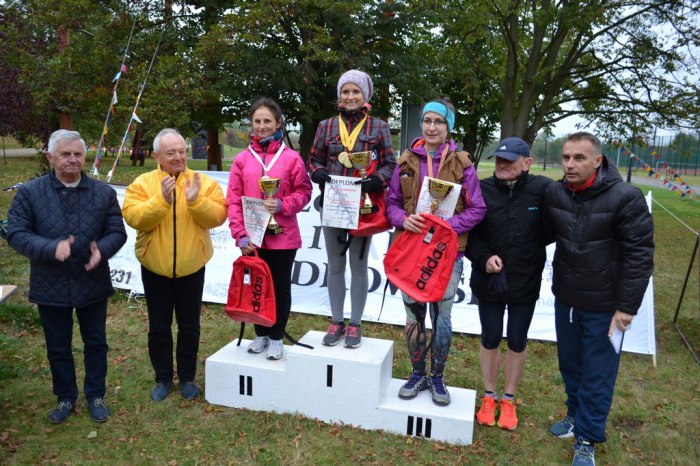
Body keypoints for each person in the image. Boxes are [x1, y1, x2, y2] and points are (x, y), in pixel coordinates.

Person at [543, 132, 654, 465]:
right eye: (566, 157)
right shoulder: (556, 193)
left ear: (597, 161)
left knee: (597, 375)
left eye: (579, 158)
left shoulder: (626, 198)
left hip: (605, 307)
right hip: (567, 299)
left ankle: (587, 439)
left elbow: (639, 256)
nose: (570, 164)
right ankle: (575, 416)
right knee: (571, 367)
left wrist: (626, 307)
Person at [7, 129, 127, 424]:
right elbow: (17, 234)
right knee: (58, 346)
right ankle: (65, 396)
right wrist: (51, 248)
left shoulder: (103, 193)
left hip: (92, 280)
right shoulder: (30, 193)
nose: (72, 160)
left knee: (96, 342)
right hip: (50, 282)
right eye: (65, 154)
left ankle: (96, 394)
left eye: (78, 154)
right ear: (50, 156)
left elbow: (117, 232)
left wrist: (103, 250)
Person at [386, 98, 486, 406]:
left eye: (439, 122)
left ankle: (438, 378)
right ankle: (417, 373)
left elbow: (478, 208)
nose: (431, 127)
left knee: (442, 317)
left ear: (448, 127)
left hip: (446, 253)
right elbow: (390, 204)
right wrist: (403, 219)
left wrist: (447, 226)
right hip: (410, 250)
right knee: (413, 316)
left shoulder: (462, 164)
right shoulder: (405, 162)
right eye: (427, 121)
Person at [122, 128, 227, 402]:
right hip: (155, 268)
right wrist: (162, 200)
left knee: (189, 325)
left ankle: (188, 378)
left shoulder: (202, 182)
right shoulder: (143, 183)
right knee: (159, 326)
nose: (179, 157)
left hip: (192, 267)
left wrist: (195, 201)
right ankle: (163, 378)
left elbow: (218, 216)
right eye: (171, 153)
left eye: (182, 151)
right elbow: (133, 217)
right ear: (157, 156)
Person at [467, 137, 553, 430]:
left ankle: (509, 398)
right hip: (489, 279)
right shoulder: (481, 188)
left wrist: (529, 253)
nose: (502, 165)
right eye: (499, 159)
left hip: (525, 281)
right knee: (490, 336)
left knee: (517, 339)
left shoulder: (543, 189)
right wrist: (484, 258)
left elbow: (553, 228)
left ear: (527, 163)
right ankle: (489, 395)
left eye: (510, 160)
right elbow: (469, 235)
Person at [308, 69, 396, 348]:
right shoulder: (326, 126)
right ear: (339, 95)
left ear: (364, 95)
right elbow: (314, 159)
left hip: (363, 207)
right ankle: (337, 321)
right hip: (333, 205)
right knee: (335, 266)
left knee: (358, 266)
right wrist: (318, 172)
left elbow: (390, 164)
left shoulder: (379, 127)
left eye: (355, 91)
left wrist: (376, 180)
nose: (350, 96)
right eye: (345, 91)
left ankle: (355, 324)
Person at [227, 97, 312, 360]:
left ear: (278, 123)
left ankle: (276, 337)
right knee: (256, 287)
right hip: (253, 238)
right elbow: (233, 200)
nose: (262, 126)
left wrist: (283, 204)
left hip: (283, 237)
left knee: (280, 288)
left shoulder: (291, 158)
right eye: (257, 121)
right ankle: (261, 333)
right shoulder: (242, 159)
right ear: (251, 123)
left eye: (267, 121)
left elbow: (304, 192)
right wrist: (240, 235)